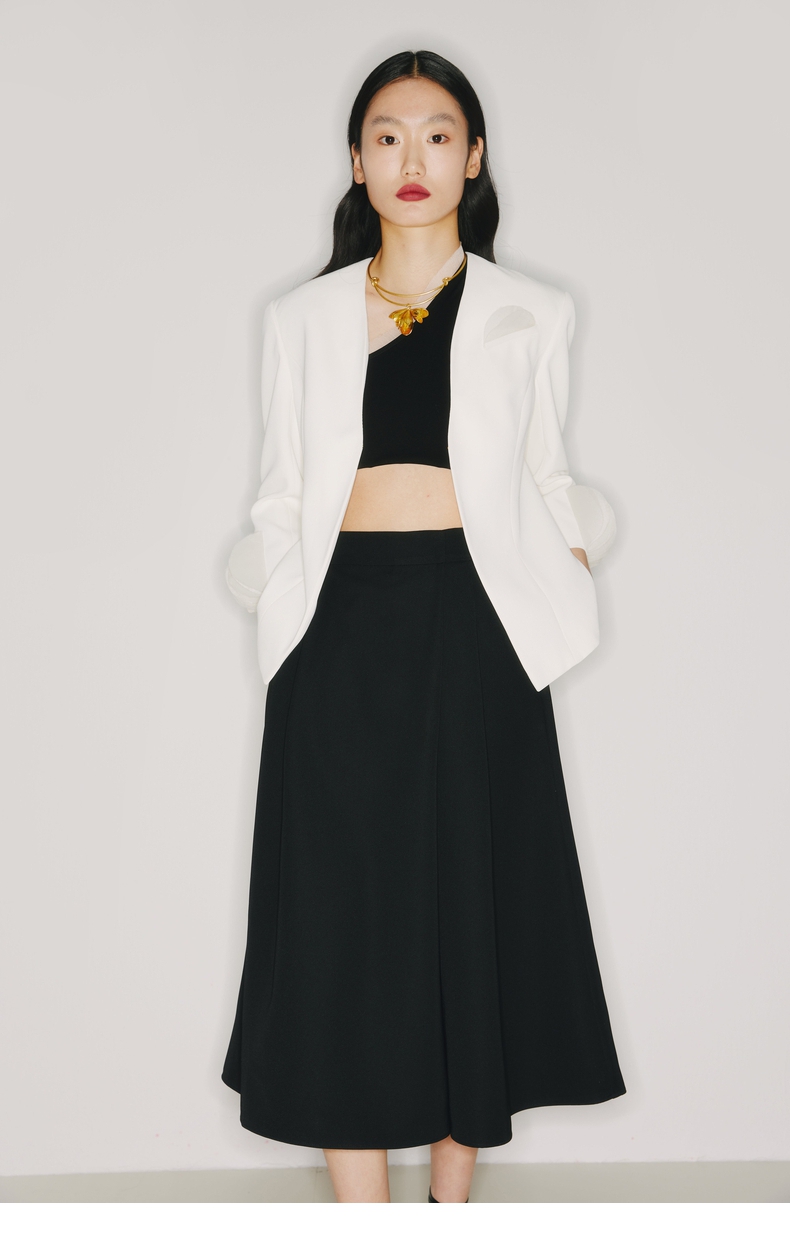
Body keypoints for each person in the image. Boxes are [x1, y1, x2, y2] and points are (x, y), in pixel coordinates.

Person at [221, 48, 625, 1204]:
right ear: (355, 161)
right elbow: (280, 491)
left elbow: (546, 474)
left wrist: (569, 554)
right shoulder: (299, 319)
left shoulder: (530, 311)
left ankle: (449, 1201)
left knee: (470, 894)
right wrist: (283, 603)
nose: (413, 157)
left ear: (474, 157)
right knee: (338, 910)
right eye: (387, 136)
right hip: (337, 627)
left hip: (474, 621)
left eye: (438, 134)